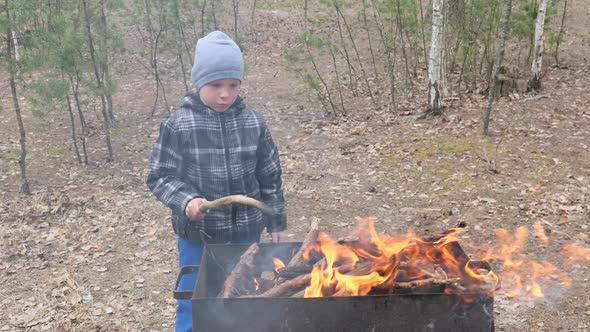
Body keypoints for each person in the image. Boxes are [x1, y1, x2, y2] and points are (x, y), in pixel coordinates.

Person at [146, 30, 287, 332]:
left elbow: (270, 177)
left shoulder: (254, 122)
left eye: (233, 85)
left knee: (245, 296)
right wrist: (186, 200)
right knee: (194, 299)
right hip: (199, 236)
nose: (225, 94)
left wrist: (276, 222)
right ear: (199, 83)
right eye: (216, 85)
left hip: (246, 234)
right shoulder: (178, 124)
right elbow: (160, 175)